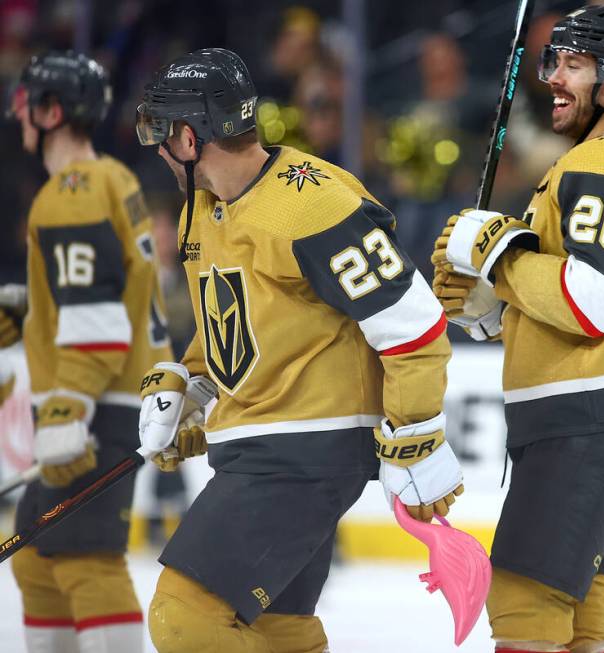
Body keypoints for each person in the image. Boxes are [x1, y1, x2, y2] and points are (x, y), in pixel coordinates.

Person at [134, 47, 462, 652]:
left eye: (158, 130)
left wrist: (417, 433)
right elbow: (235, 328)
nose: (154, 146)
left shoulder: (313, 202)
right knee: (279, 632)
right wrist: (192, 385)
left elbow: (412, 323)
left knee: (185, 618)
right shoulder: (202, 208)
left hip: (303, 453)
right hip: (263, 446)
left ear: (188, 135)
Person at [432, 7, 604, 653]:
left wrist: (500, 258)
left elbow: (598, 301)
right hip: (602, 415)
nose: (554, 77)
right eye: (553, 61)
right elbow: (584, 298)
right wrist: (490, 303)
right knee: (584, 621)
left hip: (595, 419)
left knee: (524, 606)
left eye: (575, 65)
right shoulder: (593, 163)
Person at [7, 51, 173, 653]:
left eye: (26, 103)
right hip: (119, 393)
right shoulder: (111, 177)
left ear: (52, 112)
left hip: (98, 400)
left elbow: (97, 319)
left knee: (85, 558)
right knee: (37, 553)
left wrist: (65, 407)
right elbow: (108, 287)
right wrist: (31, 308)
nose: (16, 113)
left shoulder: (69, 192)